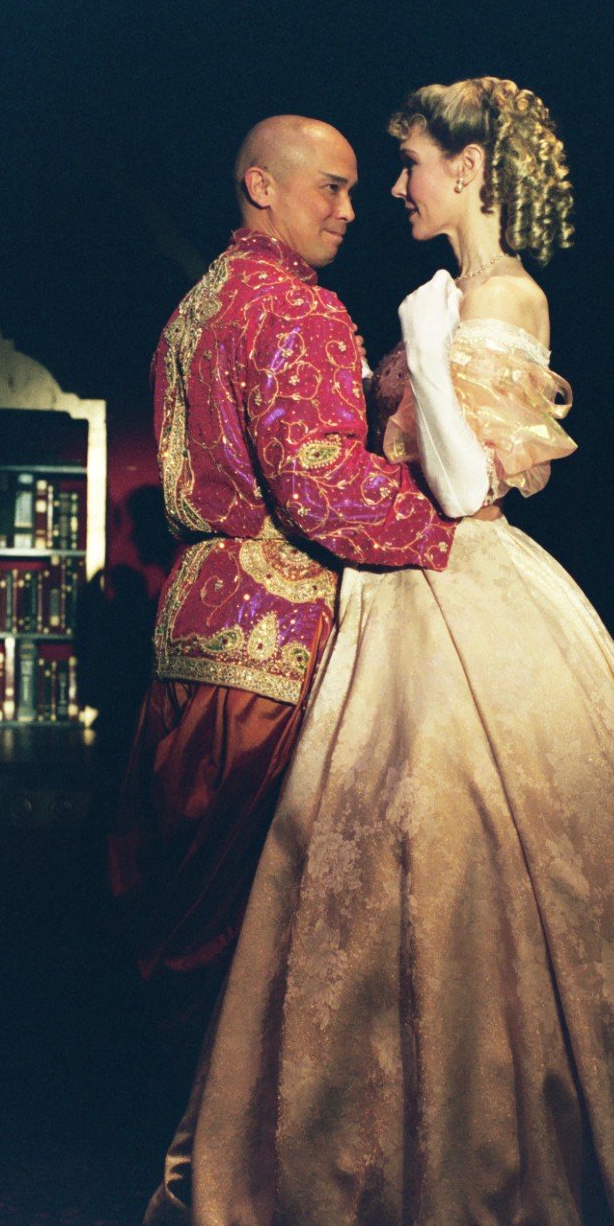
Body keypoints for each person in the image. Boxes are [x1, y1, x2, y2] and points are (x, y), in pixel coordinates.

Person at [145, 79, 614, 1226]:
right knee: (385, 877)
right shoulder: (418, 296)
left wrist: (416, 350)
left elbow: (467, 491)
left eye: (407, 165)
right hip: (395, 592)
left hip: (462, 582)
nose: (390, 191)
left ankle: (518, 1190)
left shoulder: (504, 296)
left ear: (470, 172)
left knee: (487, 867)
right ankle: (390, 1174)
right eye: (373, 173)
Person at [109, 116, 455, 1028]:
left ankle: (185, 1140)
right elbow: (322, 488)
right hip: (275, 648)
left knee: (178, 907)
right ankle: (235, 1153)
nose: (349, 210)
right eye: (329, 187)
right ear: (262, 187)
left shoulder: (199, 304)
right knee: (257, 936)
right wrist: (456, 524)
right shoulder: (296, 307)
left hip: (189, 640)